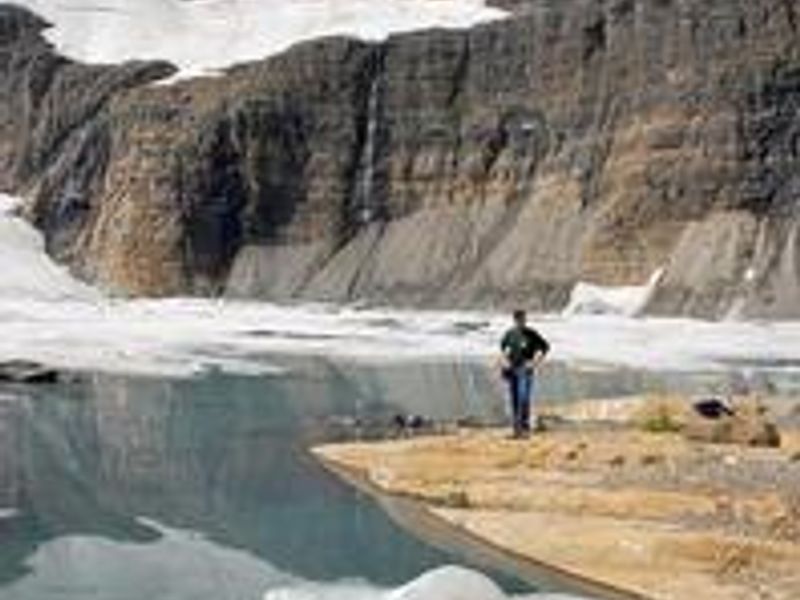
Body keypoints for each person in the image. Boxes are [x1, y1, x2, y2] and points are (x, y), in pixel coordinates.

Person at [500, 309, 550, 438]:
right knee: (514, 398)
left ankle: (524, 426)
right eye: (519, 319)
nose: (521, 321)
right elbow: (504, 349)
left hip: (525, 369)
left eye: (523, 319)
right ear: (515, 320)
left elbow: (545, 347)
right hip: (512, 369)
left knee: (524, 397)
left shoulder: (531, 334)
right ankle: (516, 428)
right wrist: (504, 363)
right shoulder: (510, 334)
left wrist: (534, 362)